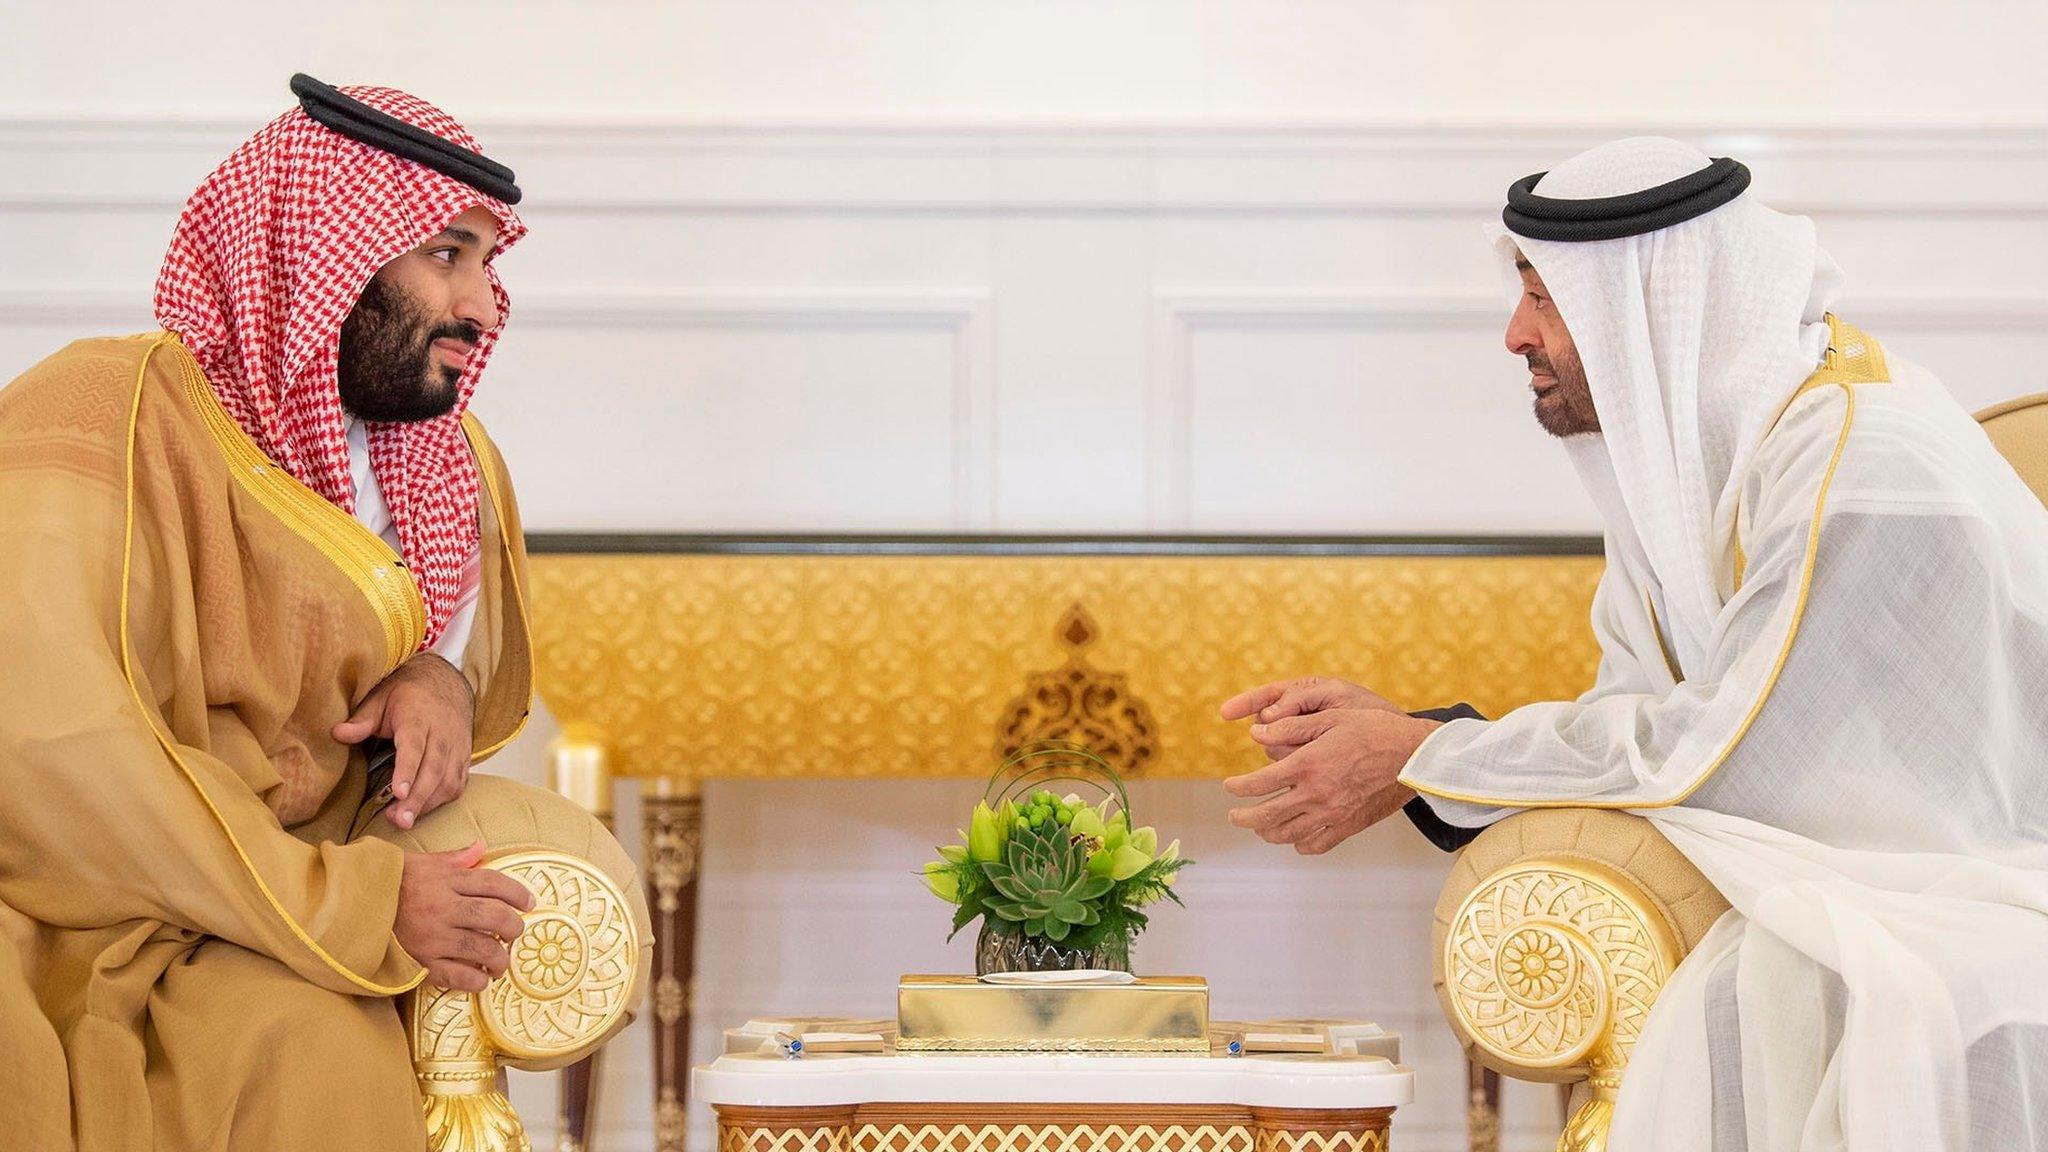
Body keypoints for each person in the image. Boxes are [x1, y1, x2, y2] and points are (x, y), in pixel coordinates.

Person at [1220, 137, 2048, 1149]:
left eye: (1544, 297)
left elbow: (1736, 750)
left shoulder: (1860, 461)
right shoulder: (1719, 463)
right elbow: (1644, 722)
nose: (1513, 335)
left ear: (1652, 308)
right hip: (1871, 867)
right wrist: (1423, 741)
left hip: (1967, 884)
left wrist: (1419, 756)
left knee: (1768, 985)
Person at [0, 76, 544, 1149]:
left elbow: (442, 658)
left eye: (486, 261)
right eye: (444, 253)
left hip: (259, 919)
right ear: (314, 254)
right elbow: (50, 748)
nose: (480, 307)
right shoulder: (98, 413)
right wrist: (353, 904)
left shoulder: (438, 462)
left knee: (311, 1048)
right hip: (72, 896)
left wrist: (435, 677)